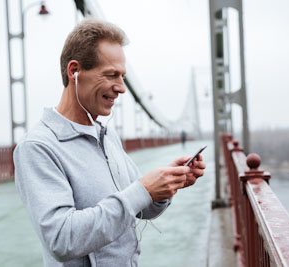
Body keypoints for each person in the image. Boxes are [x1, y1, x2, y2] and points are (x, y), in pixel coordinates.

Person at [13, 19, 206, 267]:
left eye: (123, 76)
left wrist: (166, 185)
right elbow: (61, 239)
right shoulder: (37, 147)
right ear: (74, 71)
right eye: (111, 75)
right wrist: (143, 190)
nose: (122, 88)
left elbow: (139, 209)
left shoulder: (107, 135)